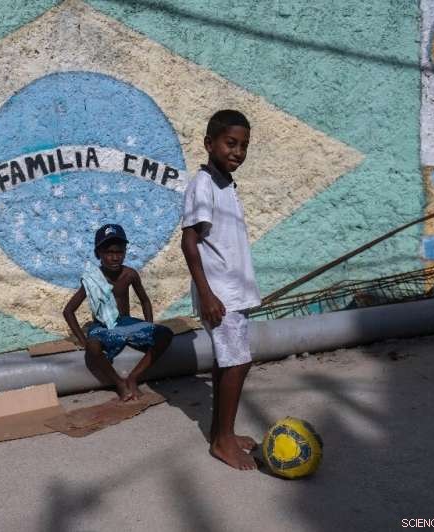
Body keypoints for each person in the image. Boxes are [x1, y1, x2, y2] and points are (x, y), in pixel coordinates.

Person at [181, 110, 261, 470]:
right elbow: (189, 242)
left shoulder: (225, 183)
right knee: (238, 363)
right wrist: (208, 294)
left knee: (226, 363)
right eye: (231, 143)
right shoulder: (203, 184)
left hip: (231, 292)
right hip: (220, 295)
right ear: (209, 143)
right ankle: (222, 441)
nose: (238, 152)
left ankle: (222, 433)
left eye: (244, 145)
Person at [63, 223, 173, 401]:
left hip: (126, 323)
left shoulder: (130, 274)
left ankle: (133, 377)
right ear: (98, 254)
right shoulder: (93, 279)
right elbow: (68, 311)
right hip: (103, 326)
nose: (115, 258)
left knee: (165, 335)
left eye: (119, 252)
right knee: (92, 347)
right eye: (108, 253)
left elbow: (145, 300)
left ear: (125, 252)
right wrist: (83, 341)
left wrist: (150, 325)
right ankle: (119, 383)